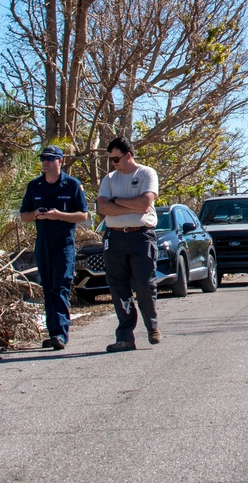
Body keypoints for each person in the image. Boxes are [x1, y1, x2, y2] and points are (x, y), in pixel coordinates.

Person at [19, 145, 88, 350]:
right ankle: (54, 332)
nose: (46, 162)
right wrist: (37, 214)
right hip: (43, 241)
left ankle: (60, 333)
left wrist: (60, 215)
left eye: (50, 158)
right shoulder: (34, 186)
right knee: (48, 287)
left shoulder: (72, 185)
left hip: (64, 241)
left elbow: (83, 216)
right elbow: (24, 216)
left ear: (60, 161)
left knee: (61, 285)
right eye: (43, 158)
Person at [96, 136, 160, 352]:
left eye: (116, 159)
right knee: (118, 289)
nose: (113, 163)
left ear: (128, 156)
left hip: (141, 237)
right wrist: (127, 206)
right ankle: (125, 337)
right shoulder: (109, 179)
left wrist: (117, 201)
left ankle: (152, 326)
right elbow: (103, 208)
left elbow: (145, 202)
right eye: (111, 160)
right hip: (114, 238)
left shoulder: (146, 173)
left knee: (144, 284)